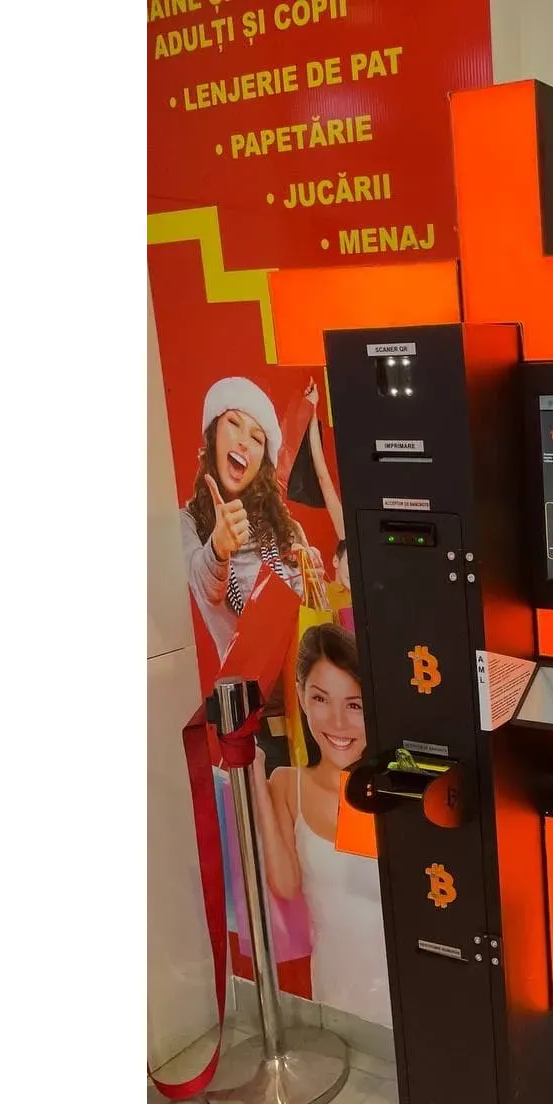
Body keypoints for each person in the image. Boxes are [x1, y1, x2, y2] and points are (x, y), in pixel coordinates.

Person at [251, 623, 390, 1026]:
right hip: (335, 990)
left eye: (354, 705)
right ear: (300, 697)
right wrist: (256, 780)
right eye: (320, 698)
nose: (338, 722)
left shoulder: (394, 788)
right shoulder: (287, 785)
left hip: (404, 993)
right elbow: (285, 883)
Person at [179, 376, 321, 658]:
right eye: (234, 423)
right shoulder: (187, 522)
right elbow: (204, 585)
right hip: (243, 680)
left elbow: (311, 623)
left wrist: (312, 581)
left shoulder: (288, 528)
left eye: (256, 438)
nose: (244, 442)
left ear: (262, 463)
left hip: (298, 677)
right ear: (213, 434)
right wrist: (218, 549)